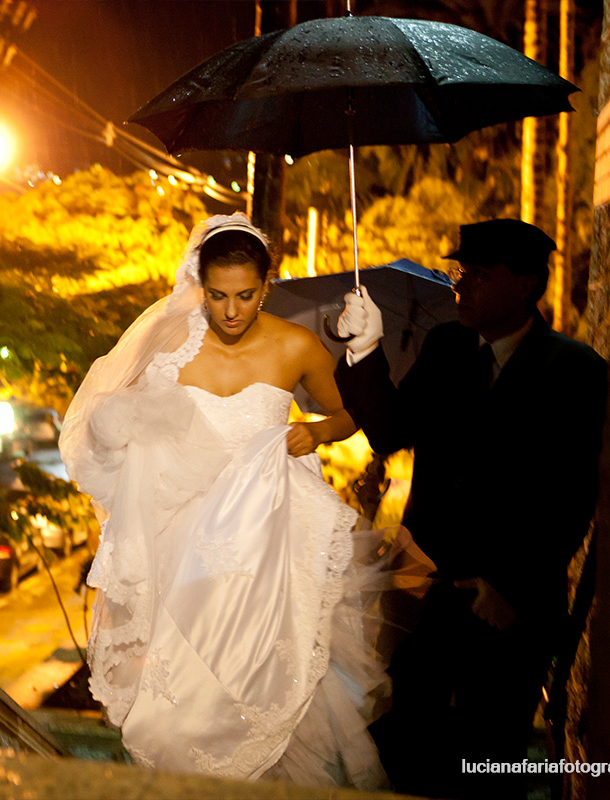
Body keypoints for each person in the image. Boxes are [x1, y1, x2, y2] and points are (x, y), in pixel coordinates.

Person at [60, 213, 409, 787]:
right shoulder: (169, 344)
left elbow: (349, 413)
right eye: (218, 296)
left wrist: (317, 433)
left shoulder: (296, 344)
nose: (230, 311)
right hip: (182, 539)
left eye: (245, 296)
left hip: (270, 533)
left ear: (266, 287)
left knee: (278, 680)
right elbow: (116, 421)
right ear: (200, 285)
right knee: (182, 698)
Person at [333, 219, 608, 798]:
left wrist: (510, 587)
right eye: (461, 272)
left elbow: (572, 496)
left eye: (478, 275)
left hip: (508, 605)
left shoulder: (574, 370)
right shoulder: (447, 348)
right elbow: (389, 431)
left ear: (526, 284)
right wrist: (365, 350)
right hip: (423, 584)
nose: (462, 285)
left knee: (490, 757)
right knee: (406, 742)